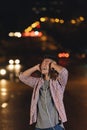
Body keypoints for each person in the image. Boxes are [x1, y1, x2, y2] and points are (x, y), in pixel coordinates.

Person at [19, 55, 68, 130]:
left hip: (56, 126)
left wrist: (52, 64)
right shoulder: (38, 82)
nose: (44, 64)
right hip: (40, 127)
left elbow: (64, 72)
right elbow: (22, 77)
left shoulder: (58, 82)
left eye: (47, 62)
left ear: (53, 67)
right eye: (43, 62)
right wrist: (36, 67)